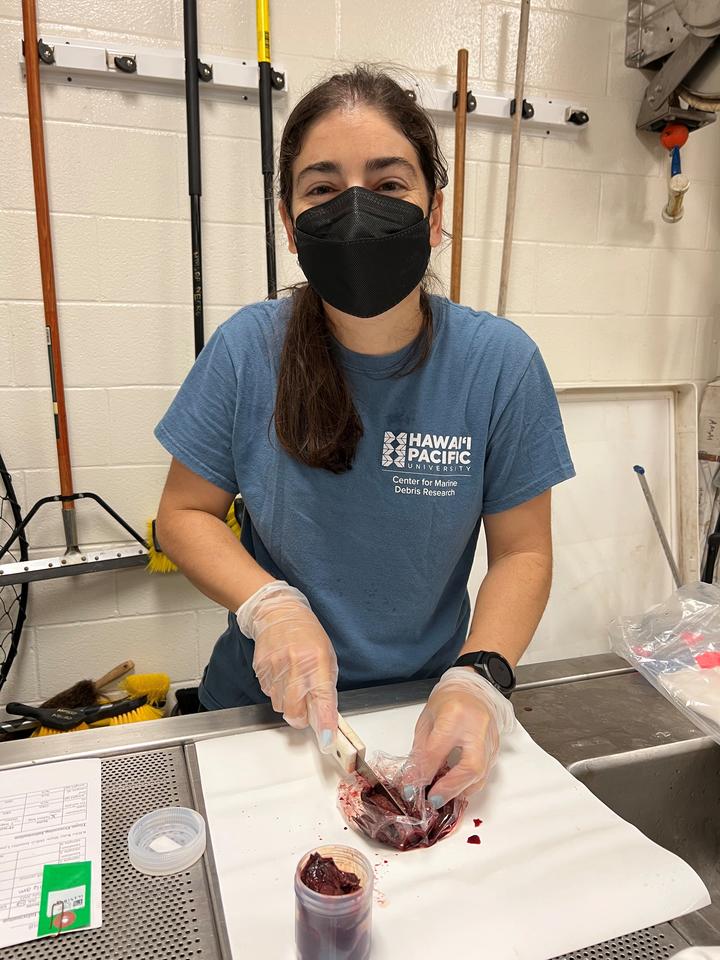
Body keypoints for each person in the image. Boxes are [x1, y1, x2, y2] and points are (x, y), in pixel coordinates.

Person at [154, 65, 575, 809]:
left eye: (388, 185)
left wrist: (480, 678)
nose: (355, 210)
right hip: (262, 714)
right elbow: (183, 516)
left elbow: (524, 552)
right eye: (321, 188)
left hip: (426, 711)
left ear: (435, 213)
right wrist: (271, 606)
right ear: (289, 225)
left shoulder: (500, 364)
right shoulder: (247, 348)